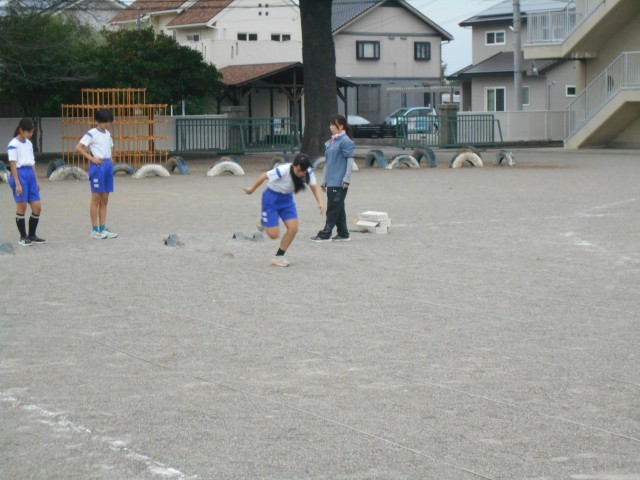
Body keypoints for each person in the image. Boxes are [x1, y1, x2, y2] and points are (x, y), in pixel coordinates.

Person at [243, 153, 324, 267]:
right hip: (271, 198)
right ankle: (264, 221)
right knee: (273, 235)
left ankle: (279, 256)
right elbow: (264, 175)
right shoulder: (283, 170)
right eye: (299, 170)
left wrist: (320, 202)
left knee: (293, 228)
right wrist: (251, 189)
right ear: (294, 166)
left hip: (287, 200)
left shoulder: (308, 172)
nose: (301, 173)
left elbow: (314, 188)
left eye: (304, 171)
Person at [311, 114, 355, 242]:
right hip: (331, 181)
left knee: (332, 208)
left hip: (340, 182)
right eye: (330, 124)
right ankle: (343, 233)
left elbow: (350, 161)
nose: (330, 127)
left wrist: (347, 179)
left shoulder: (346, 141)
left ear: (340, 126)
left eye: (333, 124)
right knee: (338, 208)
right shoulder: (333, 141)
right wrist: (325, 180)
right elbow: (328, 163)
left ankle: (326, 233)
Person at [76, 109, 118, 239]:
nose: (107, 124)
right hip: (98, 167)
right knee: (96, 199)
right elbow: (78, 147)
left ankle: (103, 228)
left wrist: (111, 157)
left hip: (107, 166)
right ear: (99, 121)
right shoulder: (91, 133)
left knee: (105, 199)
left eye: (109, 122)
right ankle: (94, 229)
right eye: (105, 122)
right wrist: (92, 158)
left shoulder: (108, 134)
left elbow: (110, 147)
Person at [7, 118, 46, 246]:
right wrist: (17, 183)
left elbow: (32, 162)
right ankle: (23, 237)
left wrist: (36, 180)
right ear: (21, 130)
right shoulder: (13, 144)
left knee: (37, 207)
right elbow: (13, 165)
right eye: (29, 132)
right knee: (22, 206)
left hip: (30, 174)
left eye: (32, 132)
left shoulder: (29, 143)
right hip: (20, 174)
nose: (30, 134)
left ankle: (32, 235)